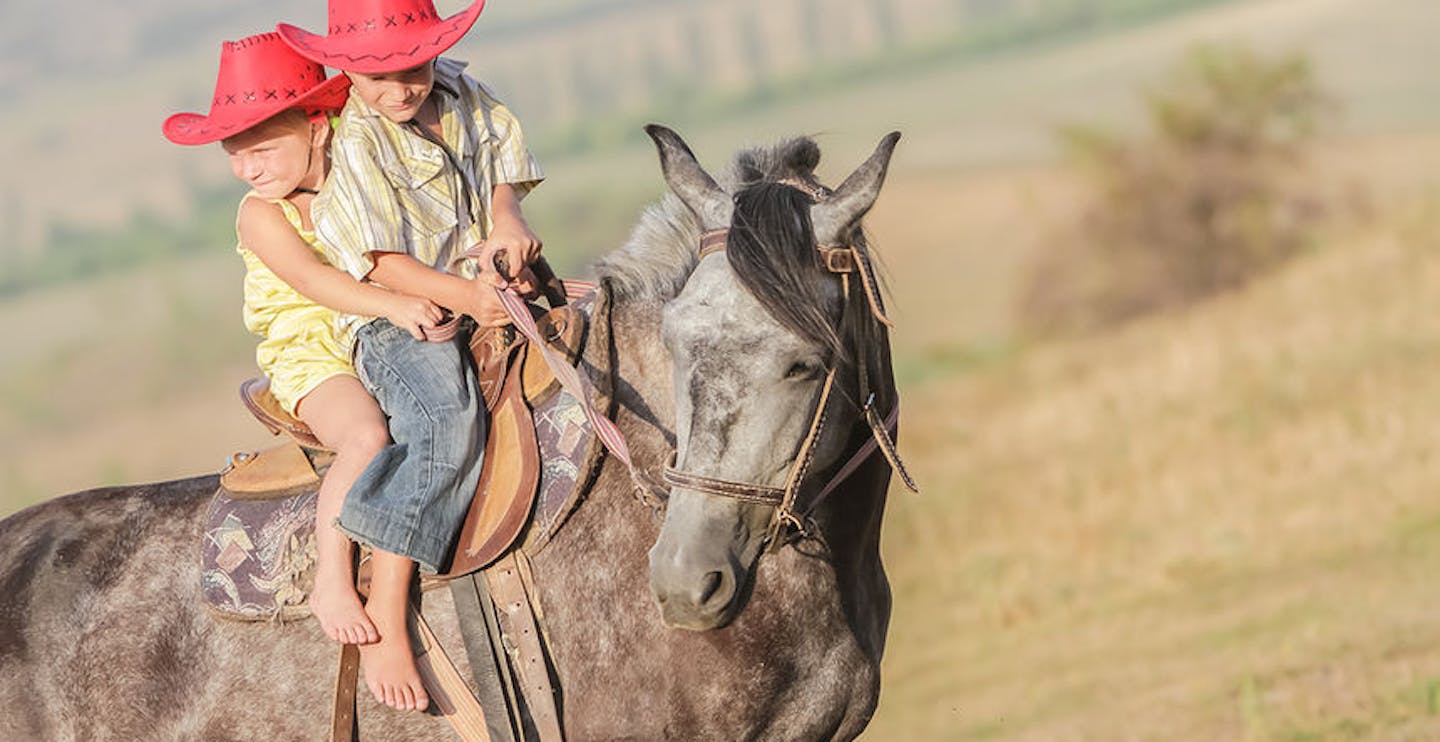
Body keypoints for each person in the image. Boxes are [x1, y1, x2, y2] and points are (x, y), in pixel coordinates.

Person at [276, 0, 545, 712]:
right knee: (445, 423)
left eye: (414, 69)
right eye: (379, 77)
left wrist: (508, 225)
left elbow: (502, 172)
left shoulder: (460, 91)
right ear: (346, 71)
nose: (401, 90)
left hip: (477, 288)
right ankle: (387, 611)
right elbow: (377, 261)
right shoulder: (356, 139)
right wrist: (463, 294)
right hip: (402, 320)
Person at [162, 33, 446, 649]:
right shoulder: (260, 213)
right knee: (368, 437)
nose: (247, 168)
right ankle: (332, 579)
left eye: (262, 149)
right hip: (315, 350)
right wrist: (398, 303)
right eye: (235, 154)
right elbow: (315, 280)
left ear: (318, 125)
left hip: (374, 329)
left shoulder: (361, 170)